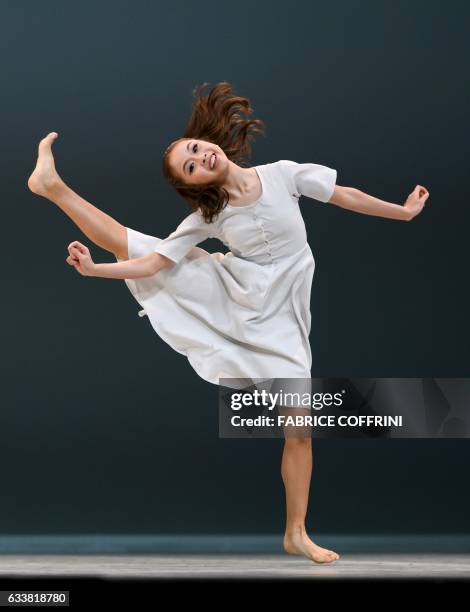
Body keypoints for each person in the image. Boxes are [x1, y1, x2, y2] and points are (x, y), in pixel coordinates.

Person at [27, 82, 429, 564]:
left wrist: (402, 212)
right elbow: (153, 263)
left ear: (210, 140)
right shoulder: (208, 216)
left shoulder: (283, 174)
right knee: (131, 243)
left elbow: (344, 195)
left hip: (282, 317)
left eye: (195, 150)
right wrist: (96, 271)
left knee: (299, 429)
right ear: (195, 185)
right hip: (232, 293)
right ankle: (54, 188)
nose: (200, 159)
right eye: (190, 167)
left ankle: (296, 533)